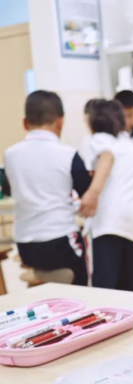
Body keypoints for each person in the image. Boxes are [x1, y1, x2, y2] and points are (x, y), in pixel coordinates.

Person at [5, 91, 91, 286]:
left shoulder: (10, 155)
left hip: (25, 246)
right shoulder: (68, 154)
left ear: (25, 123)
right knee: (84, 271)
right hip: (59, 243)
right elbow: (86, 194)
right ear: (60, 122)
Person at [84, 99, 133, 291]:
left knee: (105, 288)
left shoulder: (99, 140)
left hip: (108, 221)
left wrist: (92, 193)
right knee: (131, 285)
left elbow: (107, 156)